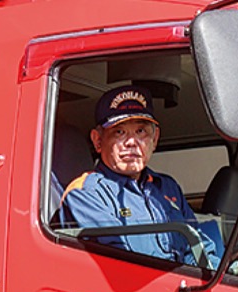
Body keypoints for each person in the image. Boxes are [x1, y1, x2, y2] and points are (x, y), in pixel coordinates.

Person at [59, 84, 220, 267]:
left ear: (155, 138)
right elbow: (124, 267)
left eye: (141, 132)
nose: (132, 142)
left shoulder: (166, 187)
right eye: (119, 132)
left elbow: (198, 247)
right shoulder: (86, 194)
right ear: (98, 140)